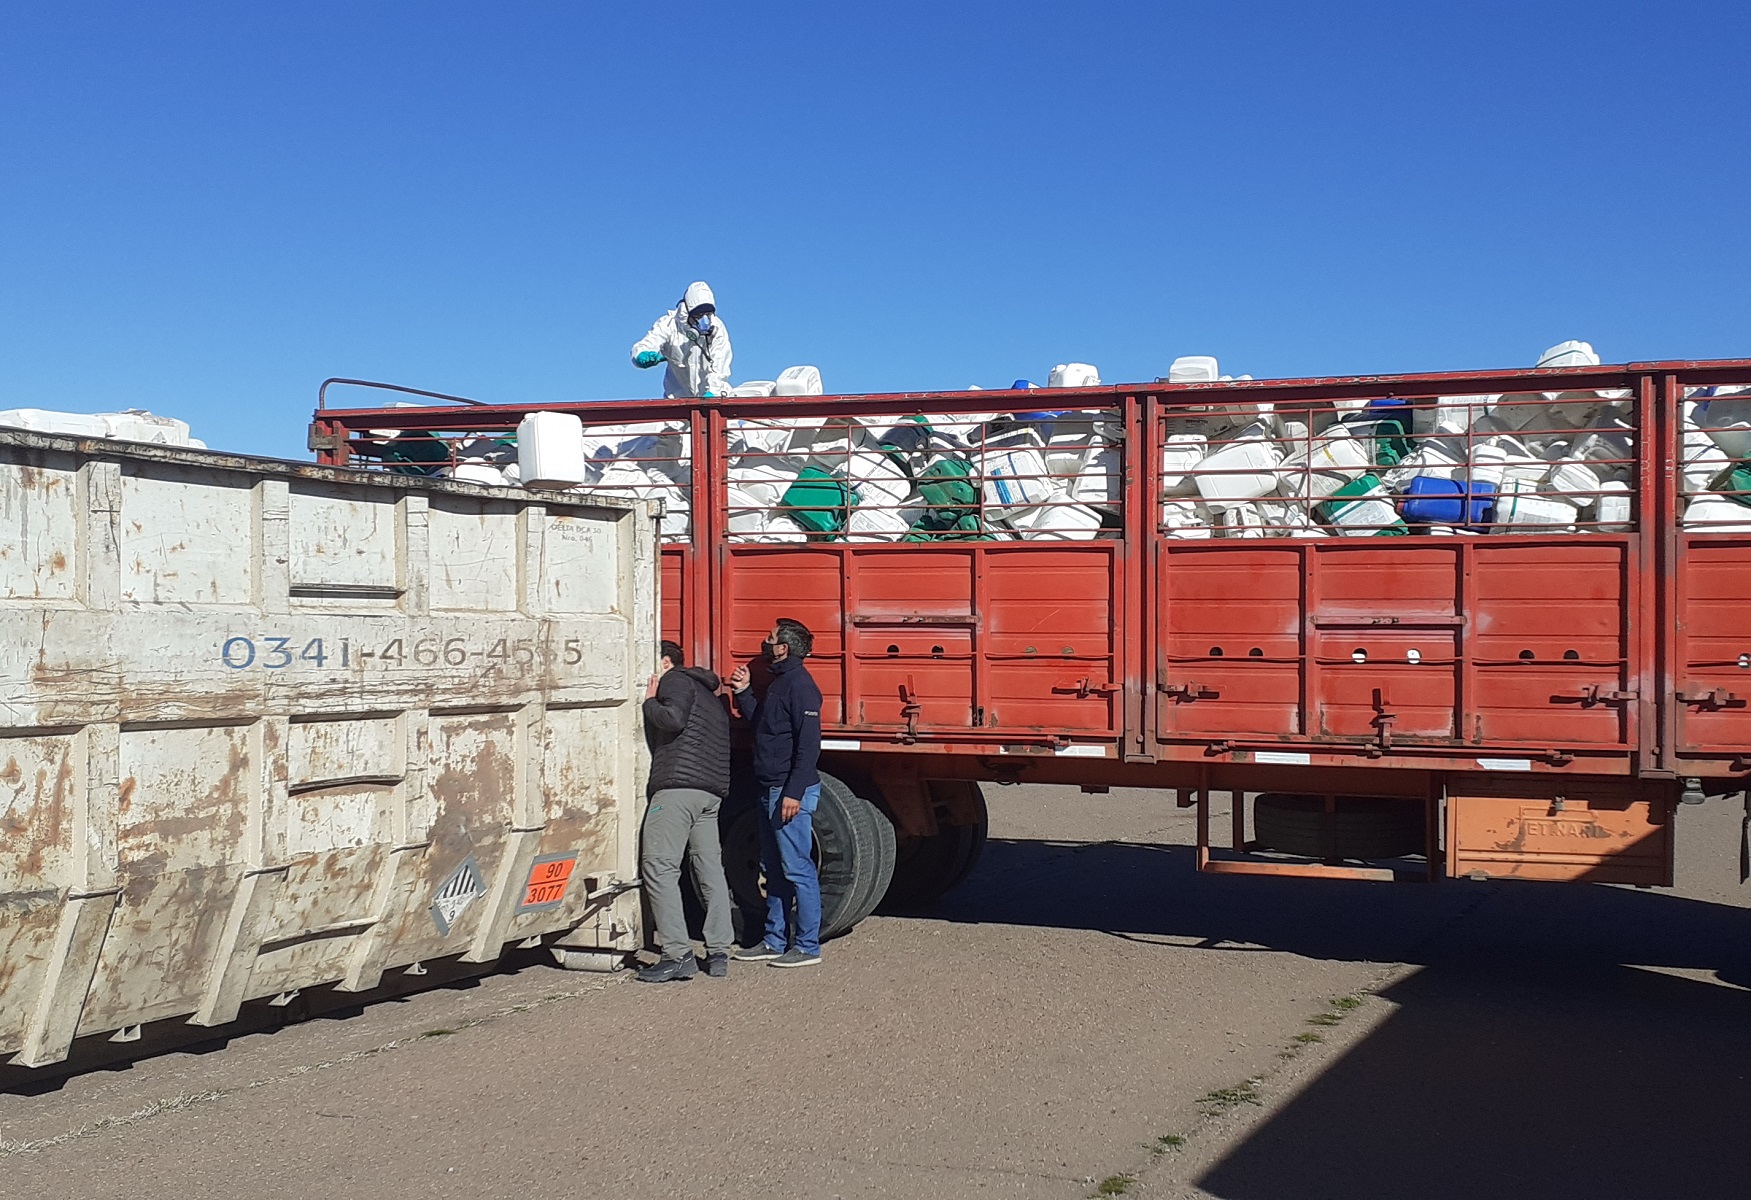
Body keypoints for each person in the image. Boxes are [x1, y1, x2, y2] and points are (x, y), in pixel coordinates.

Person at [635, 640, 736, 983]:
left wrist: (649, 701)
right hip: (711, 792)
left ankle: (677, 955)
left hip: (678, 788)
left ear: (665, 662)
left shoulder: (675, 679)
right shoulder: (710, 695)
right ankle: (720, 950)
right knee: (709, 870)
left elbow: (672, 718)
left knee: (659, 866)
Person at [728, 618, 824, 968]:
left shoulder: (801, 686)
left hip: (787, 791)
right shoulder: (780, 683)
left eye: (770, 638)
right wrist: (744, 692)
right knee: (774, 867)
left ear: (783, 648)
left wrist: (793, 792)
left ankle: (808, 946)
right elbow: (765, 728)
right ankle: (773, 941)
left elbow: (809, 745)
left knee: (798, 868)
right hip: (770, 787)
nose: (764, 642)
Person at [630, 281, 733, 399]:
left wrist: (713, 391)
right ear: (687, 312)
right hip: (677, 399)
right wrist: (641, 355)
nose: (704, 321)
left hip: (713, 396)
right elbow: (650, 341)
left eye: (708, 314)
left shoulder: (717, 329)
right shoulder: (669, 325)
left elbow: (720, 365)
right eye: (699, 315)